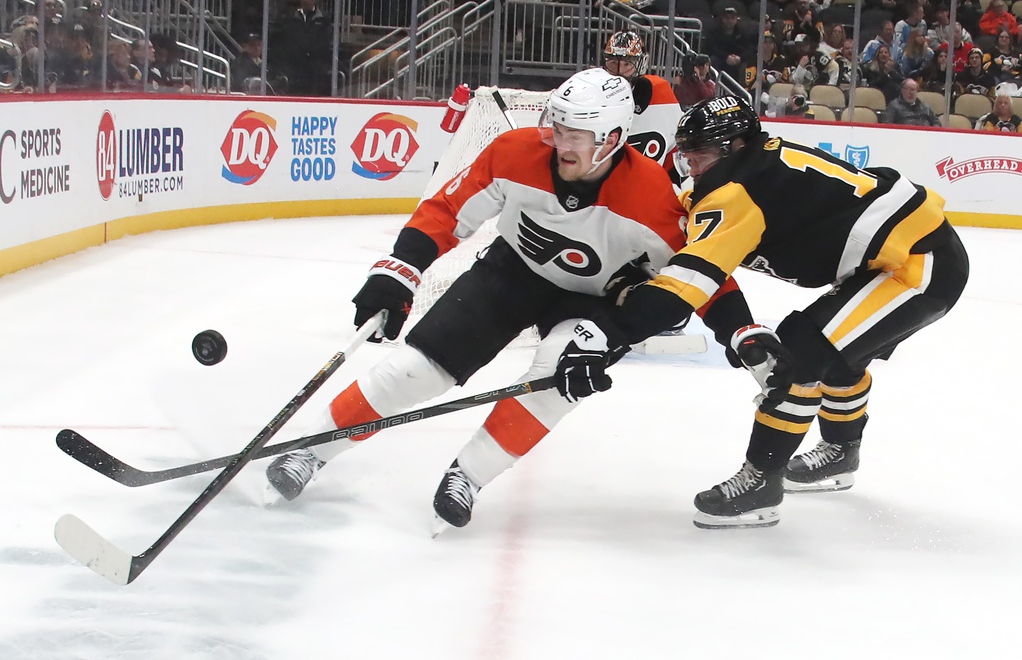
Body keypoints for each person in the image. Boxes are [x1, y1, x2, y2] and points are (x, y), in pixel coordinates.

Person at [263, 69, 750, 529]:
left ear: (612, 140)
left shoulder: (653, 197)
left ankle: (468, 476)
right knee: (417, 369)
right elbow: (448, 209)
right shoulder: (515, 153)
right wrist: (400, 269)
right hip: (511, 271)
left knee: (557, 378)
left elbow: (701, 270)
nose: (559, 141)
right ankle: (313, 449)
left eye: (575, 134)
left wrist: (742, 328)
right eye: (557, 127)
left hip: (591, 301)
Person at [553, 95, 970, 528]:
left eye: (701, 156)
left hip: (919, 266)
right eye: (687, 156)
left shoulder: (737, 192)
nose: (691, 166)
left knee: (802, 352)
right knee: (839, 352)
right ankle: (841, 454)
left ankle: (762, 481)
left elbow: (691, 282)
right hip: (904, 253)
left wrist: (616, 332)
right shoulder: (753, 165)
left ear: (734, 147)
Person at [602, 31, 683, 174]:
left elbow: (676, 147)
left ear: (641, 63)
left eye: (627, 64)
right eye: (614, 63)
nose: (620, 71)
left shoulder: (661, 93)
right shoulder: (590, 93)